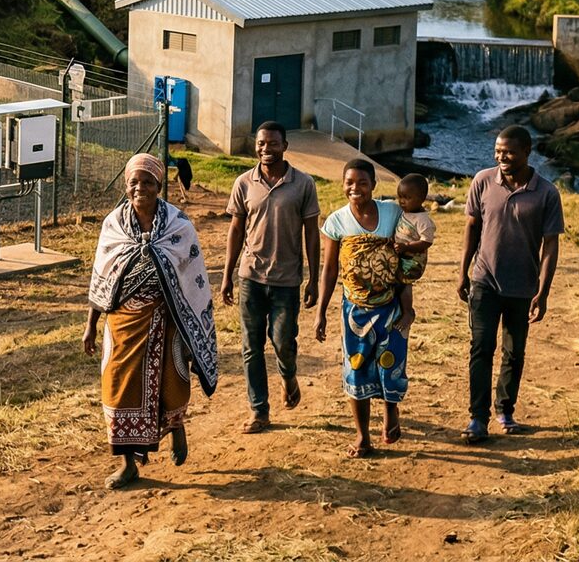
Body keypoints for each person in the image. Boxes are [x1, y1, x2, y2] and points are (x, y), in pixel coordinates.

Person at [85, 153, 220, 489]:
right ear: (126, 186)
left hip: (166, 319)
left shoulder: (178, 226)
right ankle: (127, 463)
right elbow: (101, 276)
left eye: (147, 182)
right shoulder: (114, 226)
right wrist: (90, 323)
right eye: (134, 182)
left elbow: (193, 278)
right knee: (118, 389)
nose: (140, 188)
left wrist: (191, 328)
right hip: (122, 323)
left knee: (171, 381)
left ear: (159, 185)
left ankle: (176, 428)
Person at [458, 126, 563, 443]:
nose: (501, 157)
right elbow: (472, 228)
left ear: (527, 151)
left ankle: (505, 410)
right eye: (497, 151)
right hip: (484, 280)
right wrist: (462, 272)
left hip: (523, 286)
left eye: (509, 152)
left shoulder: (546, 193)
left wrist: (542, 292)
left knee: (514, 352)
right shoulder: (483, 181)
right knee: (481, 349)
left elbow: (550, 246)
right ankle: (478, 418)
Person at [220, 121, 321, 434]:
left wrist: (313, 278)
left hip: (287, 280)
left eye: (273, 144)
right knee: (251, 346)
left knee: (282, 342)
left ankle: (288, 375)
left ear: (285, 146)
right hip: (251, 276)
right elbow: (236, 230)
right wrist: (227, 275)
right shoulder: (243, 183)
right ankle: (259, 410)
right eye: (261, 143)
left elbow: (312, 234)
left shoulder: (303, 184)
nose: (266, 149)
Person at [314, 159, 408, 457]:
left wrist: (408, 306)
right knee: (356, 369)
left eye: (362, 183)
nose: (355, 188)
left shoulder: (392, 213)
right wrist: (320, 311)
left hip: (390, 306)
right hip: (354, 310)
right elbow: (329, 270)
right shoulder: (336, 221)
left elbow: (404, 262)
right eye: (349, 183)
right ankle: (362, 435)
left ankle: (391, 410)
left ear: (374, 186)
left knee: (391, 363)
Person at [391, 174, 436, 333]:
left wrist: (407, 246)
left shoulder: (422, 220)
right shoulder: (406, 211)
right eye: (400, 197)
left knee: (404, 283)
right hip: (402, 254)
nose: (402, 201)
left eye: (407, 198)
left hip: (413, 260)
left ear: (421, 198)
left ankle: (408, 312)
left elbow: (427, 242)